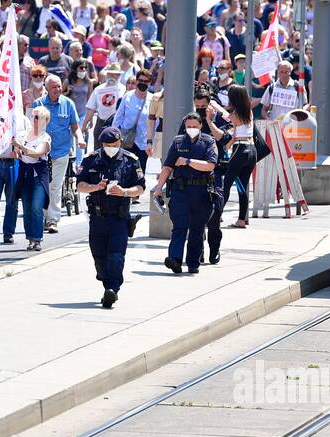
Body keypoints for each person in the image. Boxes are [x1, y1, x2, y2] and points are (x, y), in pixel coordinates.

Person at [76, 126, 146, 309]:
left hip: (119, 218)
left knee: (116, 256)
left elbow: (140, 188)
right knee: (99, 257)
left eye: (114, 144)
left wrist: (124, 192)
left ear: (120, 142)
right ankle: (107, 282)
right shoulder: (91, 159)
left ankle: (112, 289)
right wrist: (96, 187)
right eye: (107, 144)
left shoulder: (131, 161)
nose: (111, 147)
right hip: (97, 218)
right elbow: (80, 185)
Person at [151, 113, 217, 274]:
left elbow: (210, 166)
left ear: (201, 126)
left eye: (195, 126)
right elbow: (167, 167)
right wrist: (158, 188)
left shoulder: (208, 142)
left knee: (197, 229)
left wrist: (188, 162)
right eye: (189, 126)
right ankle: (174, 259)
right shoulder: (178, 142)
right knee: (179, 226)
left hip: (201, 192)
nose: (191, 129)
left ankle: (193, 262)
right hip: (181, 191)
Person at [32, 75, 80, 233]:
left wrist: (80, 139)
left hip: (61, 152)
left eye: (59, 86)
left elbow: (75, 127)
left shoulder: (68, 104)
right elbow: (31, 128)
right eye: (53, 87)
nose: (57, 90)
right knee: (42, 186)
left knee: (55, 186)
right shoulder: (38, 105)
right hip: (41, 153)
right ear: (46, 88)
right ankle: (44, 217)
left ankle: (52, 220)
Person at [217, 84, 257, 229]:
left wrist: (216, 106)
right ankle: (241, 219)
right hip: (251, 150)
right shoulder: (249, 112)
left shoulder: (235, 115)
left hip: (240, 149)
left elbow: (227, 118)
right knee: (242, 185)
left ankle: (217, 215)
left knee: (226, 184)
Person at [13, 105, 52, 251]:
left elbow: (38, 153)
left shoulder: (45, 137)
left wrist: (20, 148)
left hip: (38, 175)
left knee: (36, 206)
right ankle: (30, 238)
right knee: (27, 208)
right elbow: (17, 153)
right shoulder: (22, 135)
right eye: (33, 116)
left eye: (39, 117)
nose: (35, 120)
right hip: (24, 174)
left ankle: (37, 238)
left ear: (45, 121)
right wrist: (15, 151)